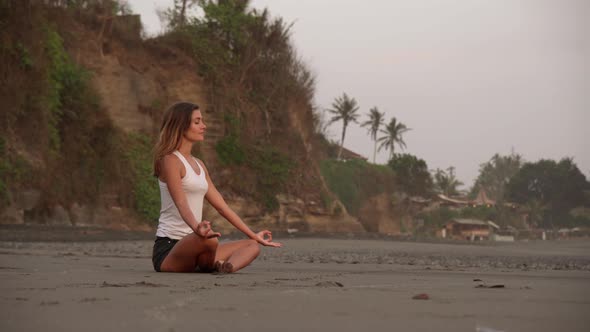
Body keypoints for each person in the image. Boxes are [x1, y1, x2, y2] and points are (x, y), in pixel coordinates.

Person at [151, 101, 281, 274]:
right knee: (210, 241)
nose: (203, 126)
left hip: (198, 242)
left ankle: (226, 267)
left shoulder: (199, 164)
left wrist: (253, 234)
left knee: (252, 245)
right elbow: (181, 203)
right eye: (197, 122)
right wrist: (198, 229)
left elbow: (222, 207)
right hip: (170, 249)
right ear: (181, 126)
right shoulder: (170, 160)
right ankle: (211, 262)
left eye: (202, 121)